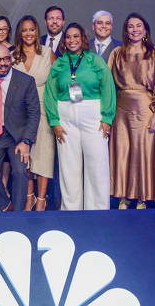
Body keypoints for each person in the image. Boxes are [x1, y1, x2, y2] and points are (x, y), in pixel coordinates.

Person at [45, 23, 115, 210]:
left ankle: (98, 211)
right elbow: (50, 93)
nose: (72, 40)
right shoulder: (59, 63)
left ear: (83, 38)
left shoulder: (95, 60)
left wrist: (107, 118)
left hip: (93, 116)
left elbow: (108, 87)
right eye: (68, 37)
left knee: (97, 165)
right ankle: (70, 210)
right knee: (68, 168)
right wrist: (54, 122)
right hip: (65, 117)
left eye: (76, 36)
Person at [108, 13, 155, 209]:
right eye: (131, 26)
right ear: (126, 30)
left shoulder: (154, 53)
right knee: (122, 153)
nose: (135, 29)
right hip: (120, 110)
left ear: (145, 30)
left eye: (139, 26)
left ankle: (142, 197)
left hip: (146, 109)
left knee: (142, 153)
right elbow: (107, 86)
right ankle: (123, 196)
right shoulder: (117, 53)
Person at [0, 44, 40, 211]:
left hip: (17, 135)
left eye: (6, 58)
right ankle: (6, 207)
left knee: (20, 173)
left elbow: (34, 113)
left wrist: (27, 141)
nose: (3, 63)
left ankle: (18, 216)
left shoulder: (25, 81)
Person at [11, 15, 57, 211]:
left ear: (37, 32)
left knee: (44, 155)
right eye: (24, 30)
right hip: (20, 111)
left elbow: (56, 85)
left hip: (43, 108)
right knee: (26, 157)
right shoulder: (12, 55)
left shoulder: (48, 53)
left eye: (32, 29)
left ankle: (41, 199)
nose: (28, 33)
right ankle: (29, 197)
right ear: (19, 34)